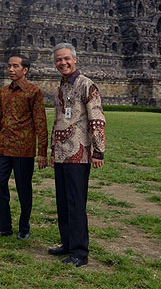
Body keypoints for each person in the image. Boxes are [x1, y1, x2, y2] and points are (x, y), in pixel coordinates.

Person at [48, 43, 106, 268]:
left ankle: (80, 253)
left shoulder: (86, 85)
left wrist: (98, 150)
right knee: (63, 202)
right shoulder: (61, 86)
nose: (62, 63)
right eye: (58, 60)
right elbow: (58, 121)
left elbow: (97, 119)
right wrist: (54, 151)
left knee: (76, 203)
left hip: (79, 154)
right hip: (62, 154)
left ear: (75, 60)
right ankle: (68, 243)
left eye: (66, 59)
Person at [0, 55, 48, 240]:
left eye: (15, 66)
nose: (11, 69)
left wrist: (42, 152)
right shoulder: (4, 91)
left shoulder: (33, 91)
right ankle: (3, 227)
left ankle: (24, 227)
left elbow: (40, 122)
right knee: (0, 186)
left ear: (25, 70)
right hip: (4, 148)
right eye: (9, 66)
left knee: (23, 189)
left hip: (24, 149)